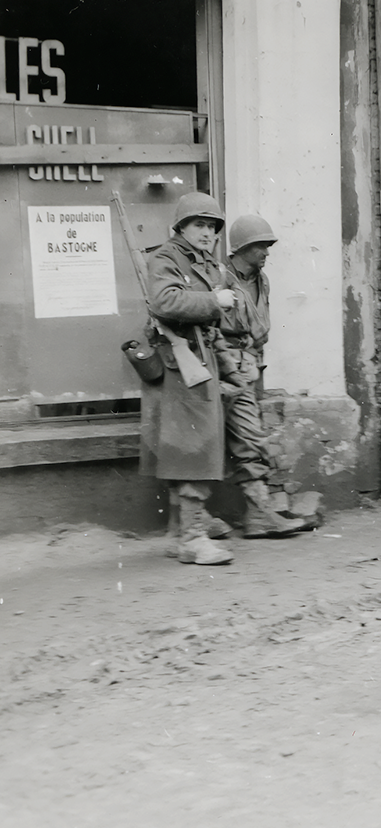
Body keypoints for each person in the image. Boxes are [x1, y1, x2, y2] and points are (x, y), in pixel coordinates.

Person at [138, 192, 239, 566]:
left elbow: (211, 328)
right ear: (181, 227)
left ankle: (177, 533)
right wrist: (215, 300)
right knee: (194, 449)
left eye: (212, 226)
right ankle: (192, 538)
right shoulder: (166, 258)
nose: (208, 232)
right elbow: (165, 302)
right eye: (199, 224)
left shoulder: (206, 262)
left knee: (188, 447)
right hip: (179, 367)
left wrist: (230, 369)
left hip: (198, 361)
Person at [220, 214, 310, 538]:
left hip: (249, 366)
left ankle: (262, 511)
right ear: (243, 247)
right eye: (261, 246)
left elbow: (259, 329)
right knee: (233, 439)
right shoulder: (219, 278)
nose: (267, 252)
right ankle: (254, 514)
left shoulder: (263, 280)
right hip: (222, 367)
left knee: (249, 438)